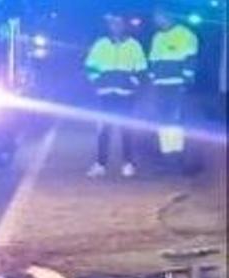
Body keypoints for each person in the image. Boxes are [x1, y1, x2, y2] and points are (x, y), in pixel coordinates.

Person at [84, 13, 148, 178]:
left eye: (119, 23)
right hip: (105, 94)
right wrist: (98, 80)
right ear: (109, 26)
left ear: (124, 25)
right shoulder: (101, 44)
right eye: (112, 24)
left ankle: (128, 163)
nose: (116, 27)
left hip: (126, 94)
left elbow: (142, 69)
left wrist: (132, 82)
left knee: (125, 129)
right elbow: (89, 66)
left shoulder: (134, 45)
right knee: (104, 130)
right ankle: (100, 164)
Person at [149, 6, 199, 165]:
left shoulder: (185, 34)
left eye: (158, 17)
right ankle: (166, 155)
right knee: (162, 120)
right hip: (160, 84)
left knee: (175, 120)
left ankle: (177, 155)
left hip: (177, 83)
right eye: (155, 17)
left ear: (167, 15)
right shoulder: (157, 37)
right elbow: (153, 61)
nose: (156, 20)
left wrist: (186, 80)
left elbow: (191, 59)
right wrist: (152, 79)